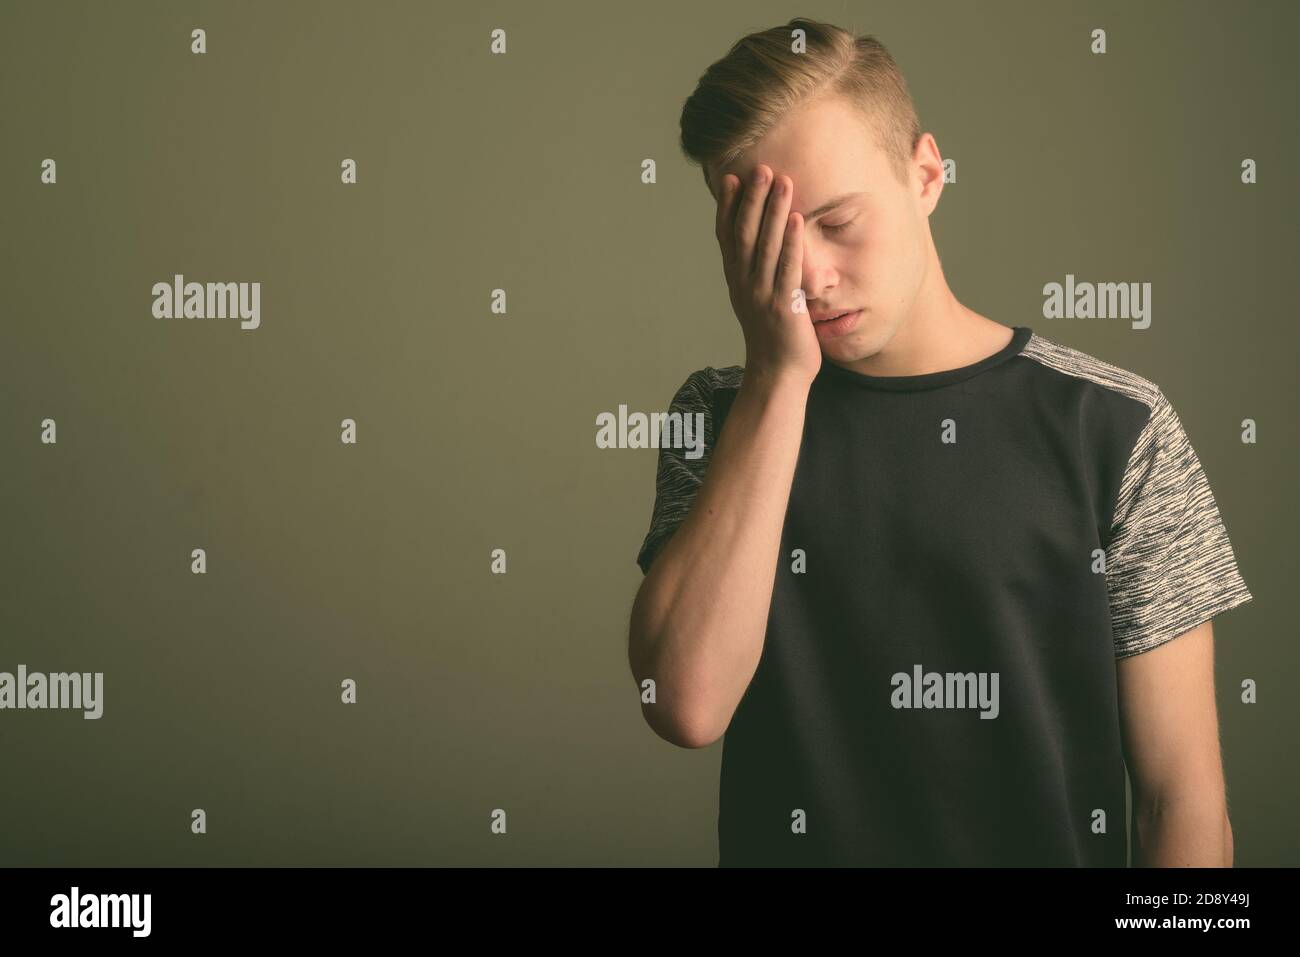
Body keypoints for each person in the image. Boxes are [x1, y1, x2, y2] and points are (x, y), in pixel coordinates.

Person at [627, 18, 1252, 867]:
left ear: (926, 173)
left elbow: (1183, 806)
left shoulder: (1114, 427)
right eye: (766, 239)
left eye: (835, 220)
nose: (808, 276)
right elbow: (687, 705)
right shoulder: (718, 414)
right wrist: (777, 380)